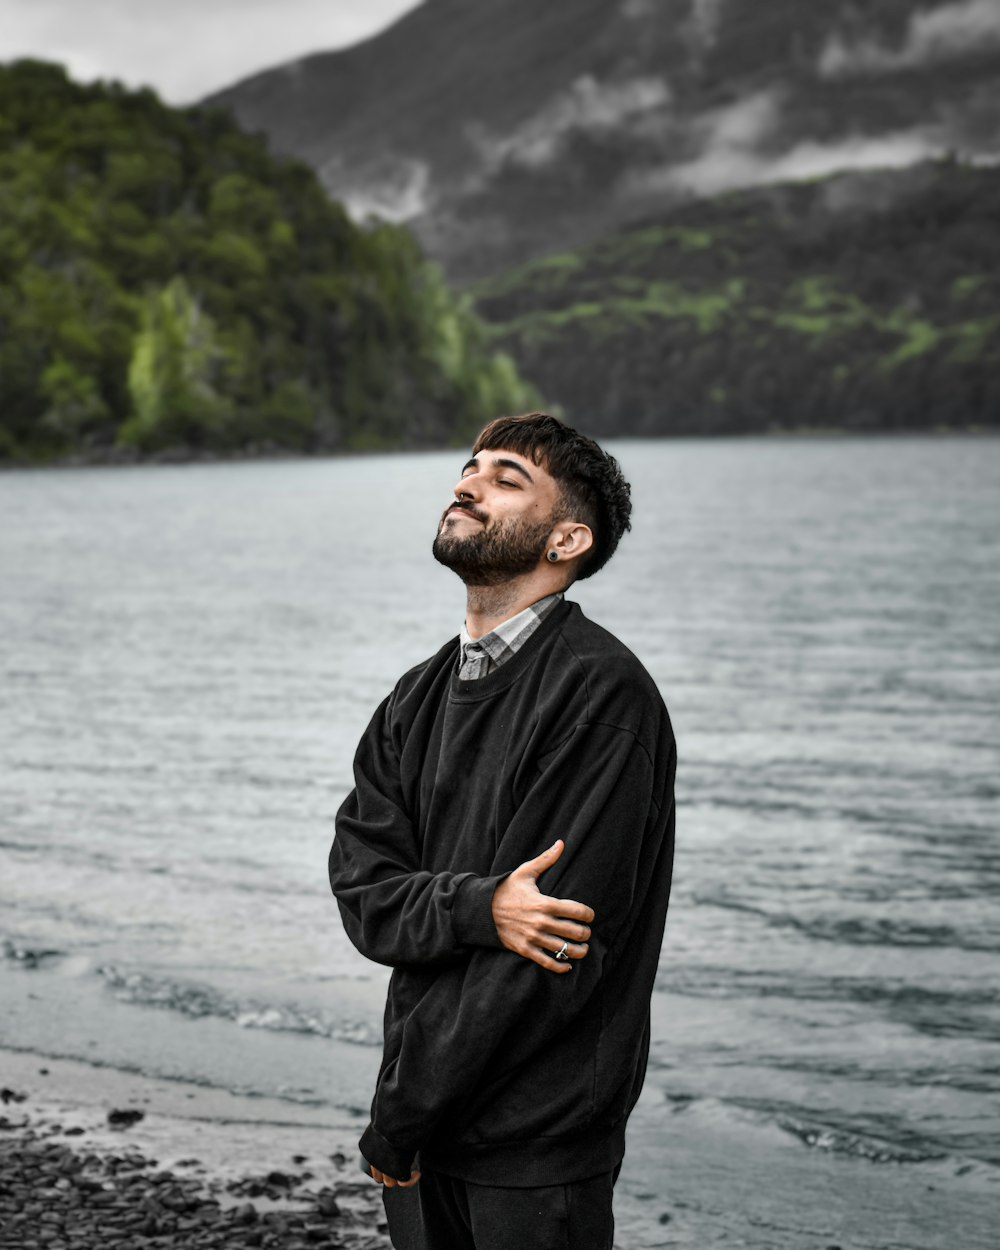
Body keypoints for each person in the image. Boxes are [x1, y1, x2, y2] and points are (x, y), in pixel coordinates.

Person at [328, 412, 676, 1250]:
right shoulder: (413, 699)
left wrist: (402, 1115)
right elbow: (364, 895)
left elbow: (549, 952)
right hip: (423, 1118)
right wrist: (483, 907)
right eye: (470, 467)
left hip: (536, 1142)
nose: (466, 483)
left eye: (505, 478)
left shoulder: (600, 697)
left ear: (567, 539)